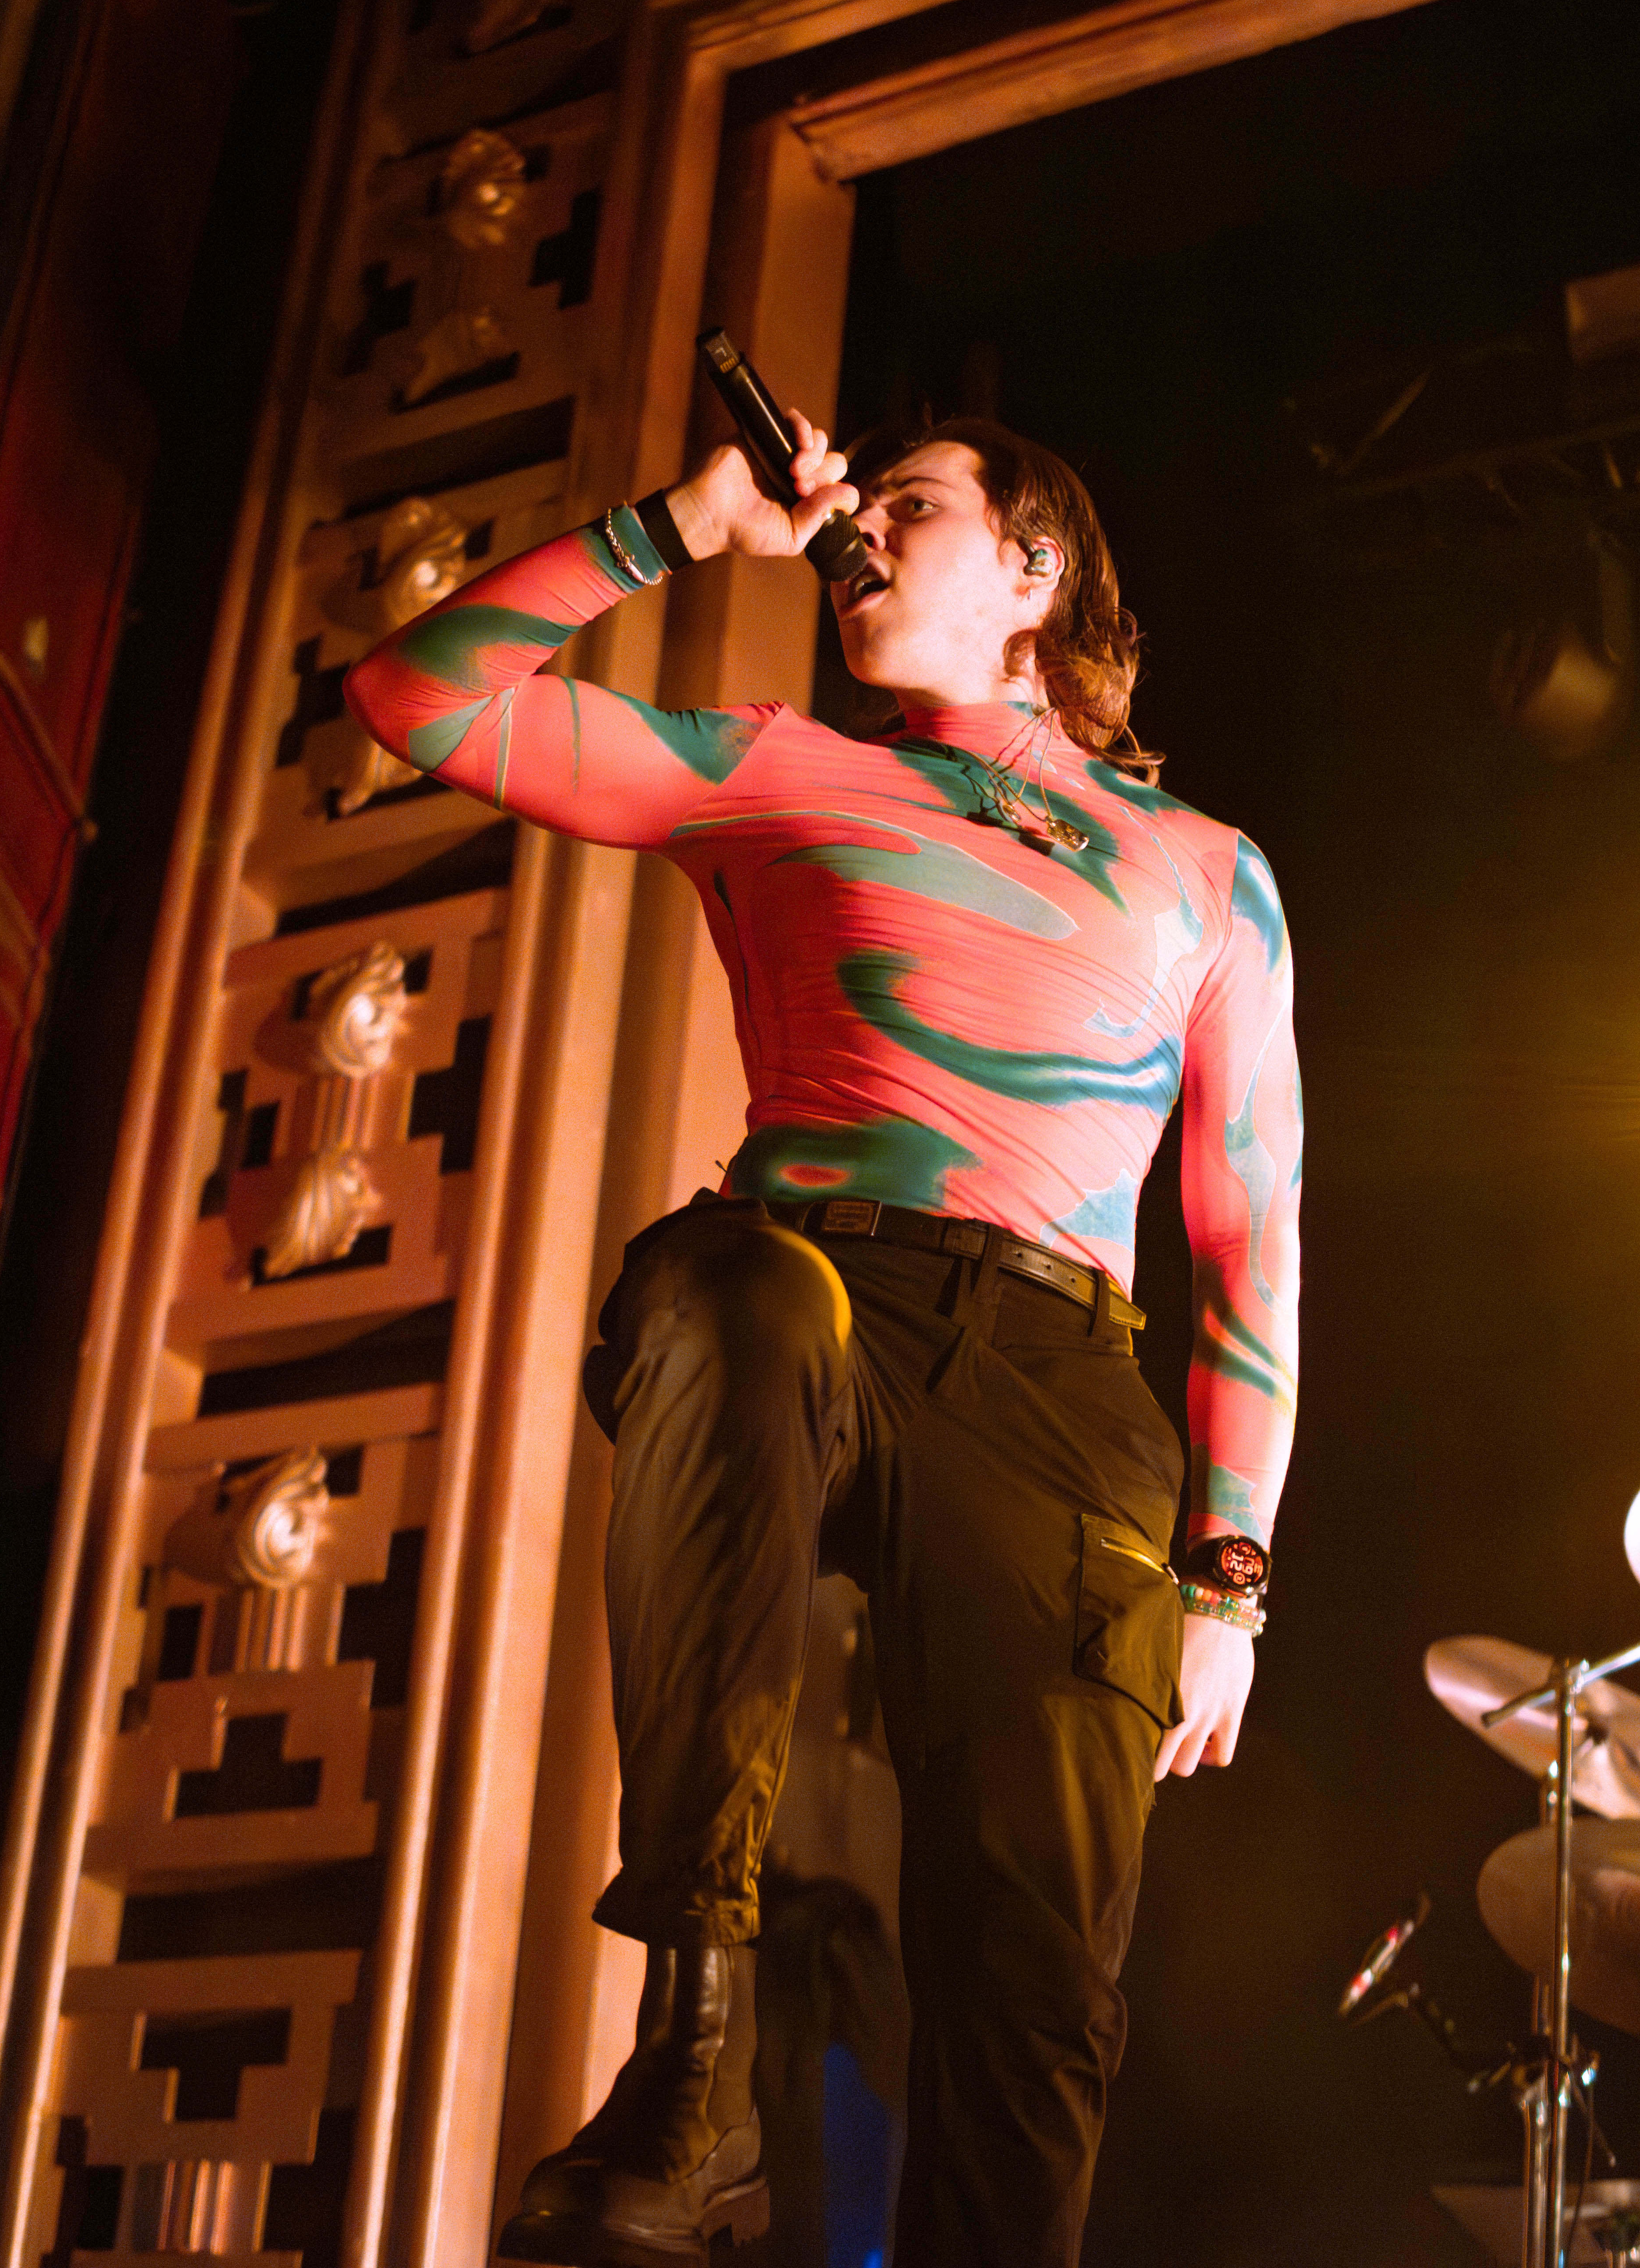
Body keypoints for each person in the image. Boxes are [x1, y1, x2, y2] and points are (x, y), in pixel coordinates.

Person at [345, 410, 1302, 2268]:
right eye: (852, 505)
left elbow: (1246, 1225)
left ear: (1035, 570)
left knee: (1037, 1990)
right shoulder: (776, 770)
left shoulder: (1203, 870)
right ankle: (690, 2072)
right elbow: (414, 693)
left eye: (912, 506)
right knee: (734, 1284)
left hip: (1055, 1388)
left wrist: (1231, 1574)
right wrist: (678, 527)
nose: (857, 528)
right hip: (805, 1288)